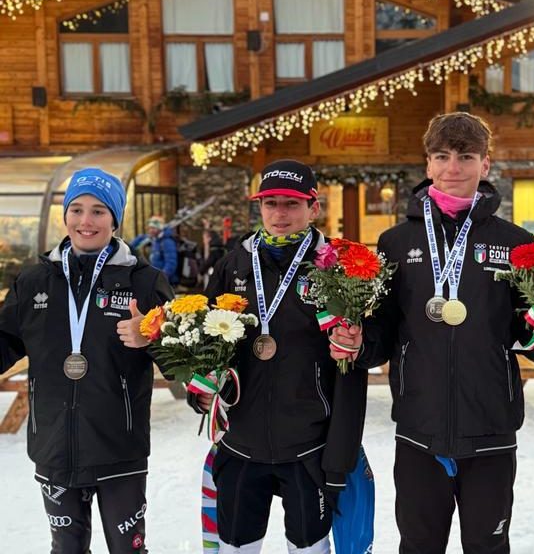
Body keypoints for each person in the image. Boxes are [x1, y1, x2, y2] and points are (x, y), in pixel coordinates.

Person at [331, 112, 534, 553]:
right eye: (441, 156)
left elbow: (527, 328)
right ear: (427, 164)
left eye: (466, 156)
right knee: (420, 545)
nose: (453, 168)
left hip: (490, 428)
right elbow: (384, 327)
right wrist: (360, 343)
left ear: (485, 165)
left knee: (488, 546)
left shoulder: (517, 243)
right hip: (418, 428)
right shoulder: (396, 243)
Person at [126, 159, 368, 553]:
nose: (280, 213)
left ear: (314, 207)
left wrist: (338, 456)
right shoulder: (234, 262)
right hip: (241, 444)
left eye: (291, 203)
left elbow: (351, 365)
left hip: (309, 446)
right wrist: (199, 391)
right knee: (236, 546)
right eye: (270, 203)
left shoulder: (336, 268)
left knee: (310, 547)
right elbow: (204, 342)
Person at [0, 168, 173, 553]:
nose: (85, 221)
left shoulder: (144, 282)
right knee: (66, 549)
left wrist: (149, 338)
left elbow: (180, 360)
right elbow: (6, 344)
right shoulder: (34, 282)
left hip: (119, 449)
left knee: (128, 549)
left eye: (98, 211)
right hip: (54, 448)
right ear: (65, 216)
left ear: (115, 218)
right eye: (76, 209)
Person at [131, 215, 179, 286]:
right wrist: (140, 237)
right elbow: (131, 246)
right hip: (156, 279)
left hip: (167, 283)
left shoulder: (167, 242)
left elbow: (171, 263)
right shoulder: (155, 240)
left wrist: (161, 279)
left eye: (153, 228)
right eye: (150, 228)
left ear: (160, 228)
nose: (151, 230)